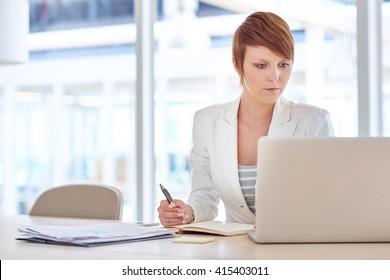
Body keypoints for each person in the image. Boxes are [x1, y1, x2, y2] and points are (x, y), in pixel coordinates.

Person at [157, 11, 334, 227]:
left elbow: (325, 200)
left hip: (294, 247)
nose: (275, 76)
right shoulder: (207, 122)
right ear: (237, 64)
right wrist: (186, 212)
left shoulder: (313, 121)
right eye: (261, 65)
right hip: (236, 249)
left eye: (284, 64)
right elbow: (204, 196)